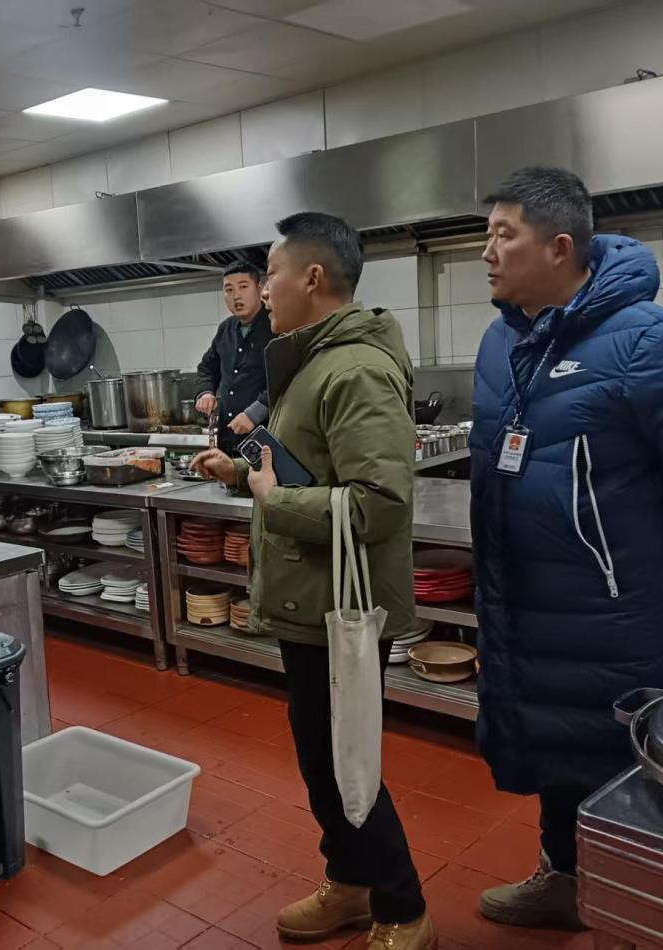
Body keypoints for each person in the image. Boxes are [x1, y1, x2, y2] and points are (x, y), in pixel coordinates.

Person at [468, 167, 663, 930]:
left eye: (503, 235)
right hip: (519, 595)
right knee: (554, 749)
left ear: (559, 247)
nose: (485, 253)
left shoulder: (650, 340)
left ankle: (632, 907)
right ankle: (563, 878)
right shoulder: (501, 340)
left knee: (617, 755)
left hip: (607, 603)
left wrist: (633, 564)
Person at [194, 212, 435, 950]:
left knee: (346, 760)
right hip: (310, 596)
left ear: (313, 277)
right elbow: (303, 468)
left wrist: (273, 502)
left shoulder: (353, 368)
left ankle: (403, 908)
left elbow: (379, 502)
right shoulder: (310, 361)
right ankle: (351, 882)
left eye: (270, 274)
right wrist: (241, 471)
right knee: (321, 758)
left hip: (342, 603)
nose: (263, 289)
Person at [194, 261, 274, 455]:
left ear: (259, 289)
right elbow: (207, 367)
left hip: (265, 438)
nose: (236, 296)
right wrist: (205, 392)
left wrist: (255, 413)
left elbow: (287, 378)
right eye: (229, 290)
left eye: (243, 287)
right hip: (228, 439)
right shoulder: (226, 329)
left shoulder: (276, 325)